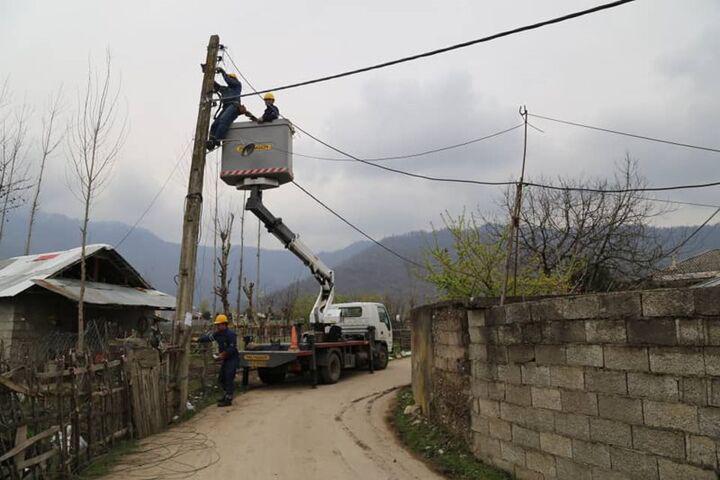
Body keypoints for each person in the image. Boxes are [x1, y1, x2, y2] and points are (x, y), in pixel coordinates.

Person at [197, 314, 239, 407]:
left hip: (232, 359)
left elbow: (232, 348)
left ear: (224, 324)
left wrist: (222, 355)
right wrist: (199, 339)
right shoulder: (218, 334)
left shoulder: (231, 335)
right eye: (217, 325)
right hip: (225, 359)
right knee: (221, 379)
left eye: (219, 324)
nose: (218, 326)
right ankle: (226, 394)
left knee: (228, 377)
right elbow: (209, 338)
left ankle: (228, 398)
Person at [207, 68, 246, 151]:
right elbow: (217, 87)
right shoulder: (225, 89)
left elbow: (229, 81)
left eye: (230, 78)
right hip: (225, 107)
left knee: (223, 119)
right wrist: (208, 76)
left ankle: (218, 139)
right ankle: (211, 142)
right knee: (214, 124)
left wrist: (222, 72)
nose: (229, 79)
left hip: (234, 106)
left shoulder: (237, 85)